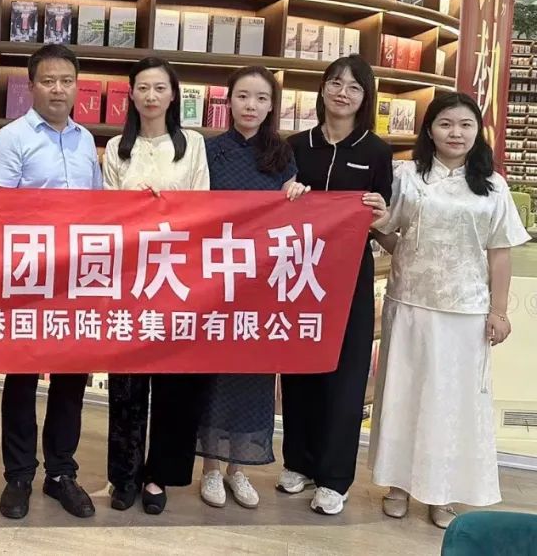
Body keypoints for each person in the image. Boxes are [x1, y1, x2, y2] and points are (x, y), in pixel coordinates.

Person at [369, 92, 528, 529]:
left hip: (466, 311)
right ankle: (398, 486)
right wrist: (399, 247)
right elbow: (385, 230)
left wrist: (499, 311)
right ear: (430, 130)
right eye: (445, 124)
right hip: (410, 305)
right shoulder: (407, 176)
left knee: (452, 404)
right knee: (404, 397)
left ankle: (443, 493)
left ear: (477, 131)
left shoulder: (492, 186)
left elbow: (500, 252)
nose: (455, 133)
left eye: (465, 124)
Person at [0, 44, 103, 520]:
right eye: (49, 81)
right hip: (28, 278)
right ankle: (18, 475)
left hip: (78, 279)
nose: (58, 89)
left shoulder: (85, 139)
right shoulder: (10, 139)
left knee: (71, 380)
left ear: (77, 86)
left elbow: (98, 210)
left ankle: (61, 474)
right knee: (21, 378)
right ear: (30, 85)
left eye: (67, 81)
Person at [279, 55, 391, 516]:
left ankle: (335, 477)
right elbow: (276, 213)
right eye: (335, 83)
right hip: (300, 270)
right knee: (300, 365)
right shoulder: (295, 146)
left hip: (350, 274)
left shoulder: (376, 152)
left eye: (354, 87)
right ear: (322, 89)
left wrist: (381, 215)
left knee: (345, 373)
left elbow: (383, 223)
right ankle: (299, 463)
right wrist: (287, 196)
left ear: (365, 98)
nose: (343, 93)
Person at [103, 57, 209, 515]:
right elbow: (103, 212)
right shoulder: (115, 148)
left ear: (173, 95)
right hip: (128, 278)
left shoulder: (193, 144)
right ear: (130, 94)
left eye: (159, 88)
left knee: (173, 385)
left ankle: (157, 476)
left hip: (177, 276)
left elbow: (204, 206)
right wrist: (131, 206)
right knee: (126, 385)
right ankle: (124, 476)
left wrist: (168, 206)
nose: (151, 96)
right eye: (143, 88)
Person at [197, 67, 299, 511]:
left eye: (260, 98)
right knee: (213, 373)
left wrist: (297, 194)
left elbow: (292, 216)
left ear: (272, 105)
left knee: (253, 374)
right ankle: (211, 468)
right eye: (242, 96)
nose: (251, 106)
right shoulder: (208, 150)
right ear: (228, 101)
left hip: (261, 283)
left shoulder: (282, 155)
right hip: (214, 279)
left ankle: (239, 468)